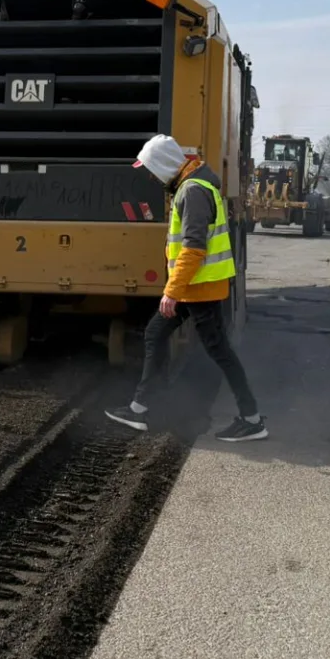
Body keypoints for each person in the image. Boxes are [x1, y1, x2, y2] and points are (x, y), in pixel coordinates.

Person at [105, 134, 268, 442]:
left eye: (152, 170)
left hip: (198, 289)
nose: (151, 177)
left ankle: (252, 420)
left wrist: (171, 292)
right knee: (158, 334)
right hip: (194, 288)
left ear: (165, 165)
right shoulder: (192, 185)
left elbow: (194, 249)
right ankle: (140, 409)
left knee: (220, 353)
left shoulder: (192, 191)